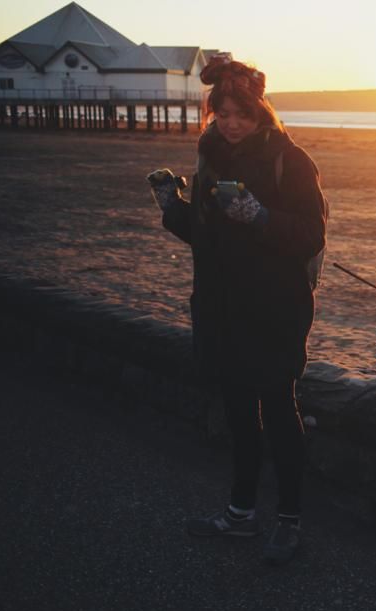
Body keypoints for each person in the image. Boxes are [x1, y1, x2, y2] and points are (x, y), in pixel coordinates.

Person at [147, 52, 328, 564]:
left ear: (261, 113)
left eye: (241, 115)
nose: (230, 124)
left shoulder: (289, 160)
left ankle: (289, 521)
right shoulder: (210, 158)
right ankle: (241, 514)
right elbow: (206, 238)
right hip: (221, 307)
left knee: (279, 413)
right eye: (222, 113)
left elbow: (311, 234)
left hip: (274, 311)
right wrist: (172, 208)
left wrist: (260, 216)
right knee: (238, 416)